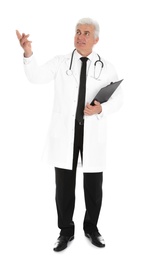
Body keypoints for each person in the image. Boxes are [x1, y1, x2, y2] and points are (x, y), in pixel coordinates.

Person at [16, 17, 123, 252]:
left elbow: (119, 98)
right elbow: (36, 77)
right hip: (65, 134)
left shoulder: (106, 66)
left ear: (96, 39)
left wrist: (101, 108)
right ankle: (65, 231)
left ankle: (91, 228)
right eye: (77, 31)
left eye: (86, 33)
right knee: (64, 186)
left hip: (92, 133)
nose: (80, 36)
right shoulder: (60, 62)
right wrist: (28, 54)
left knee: (94, 187)